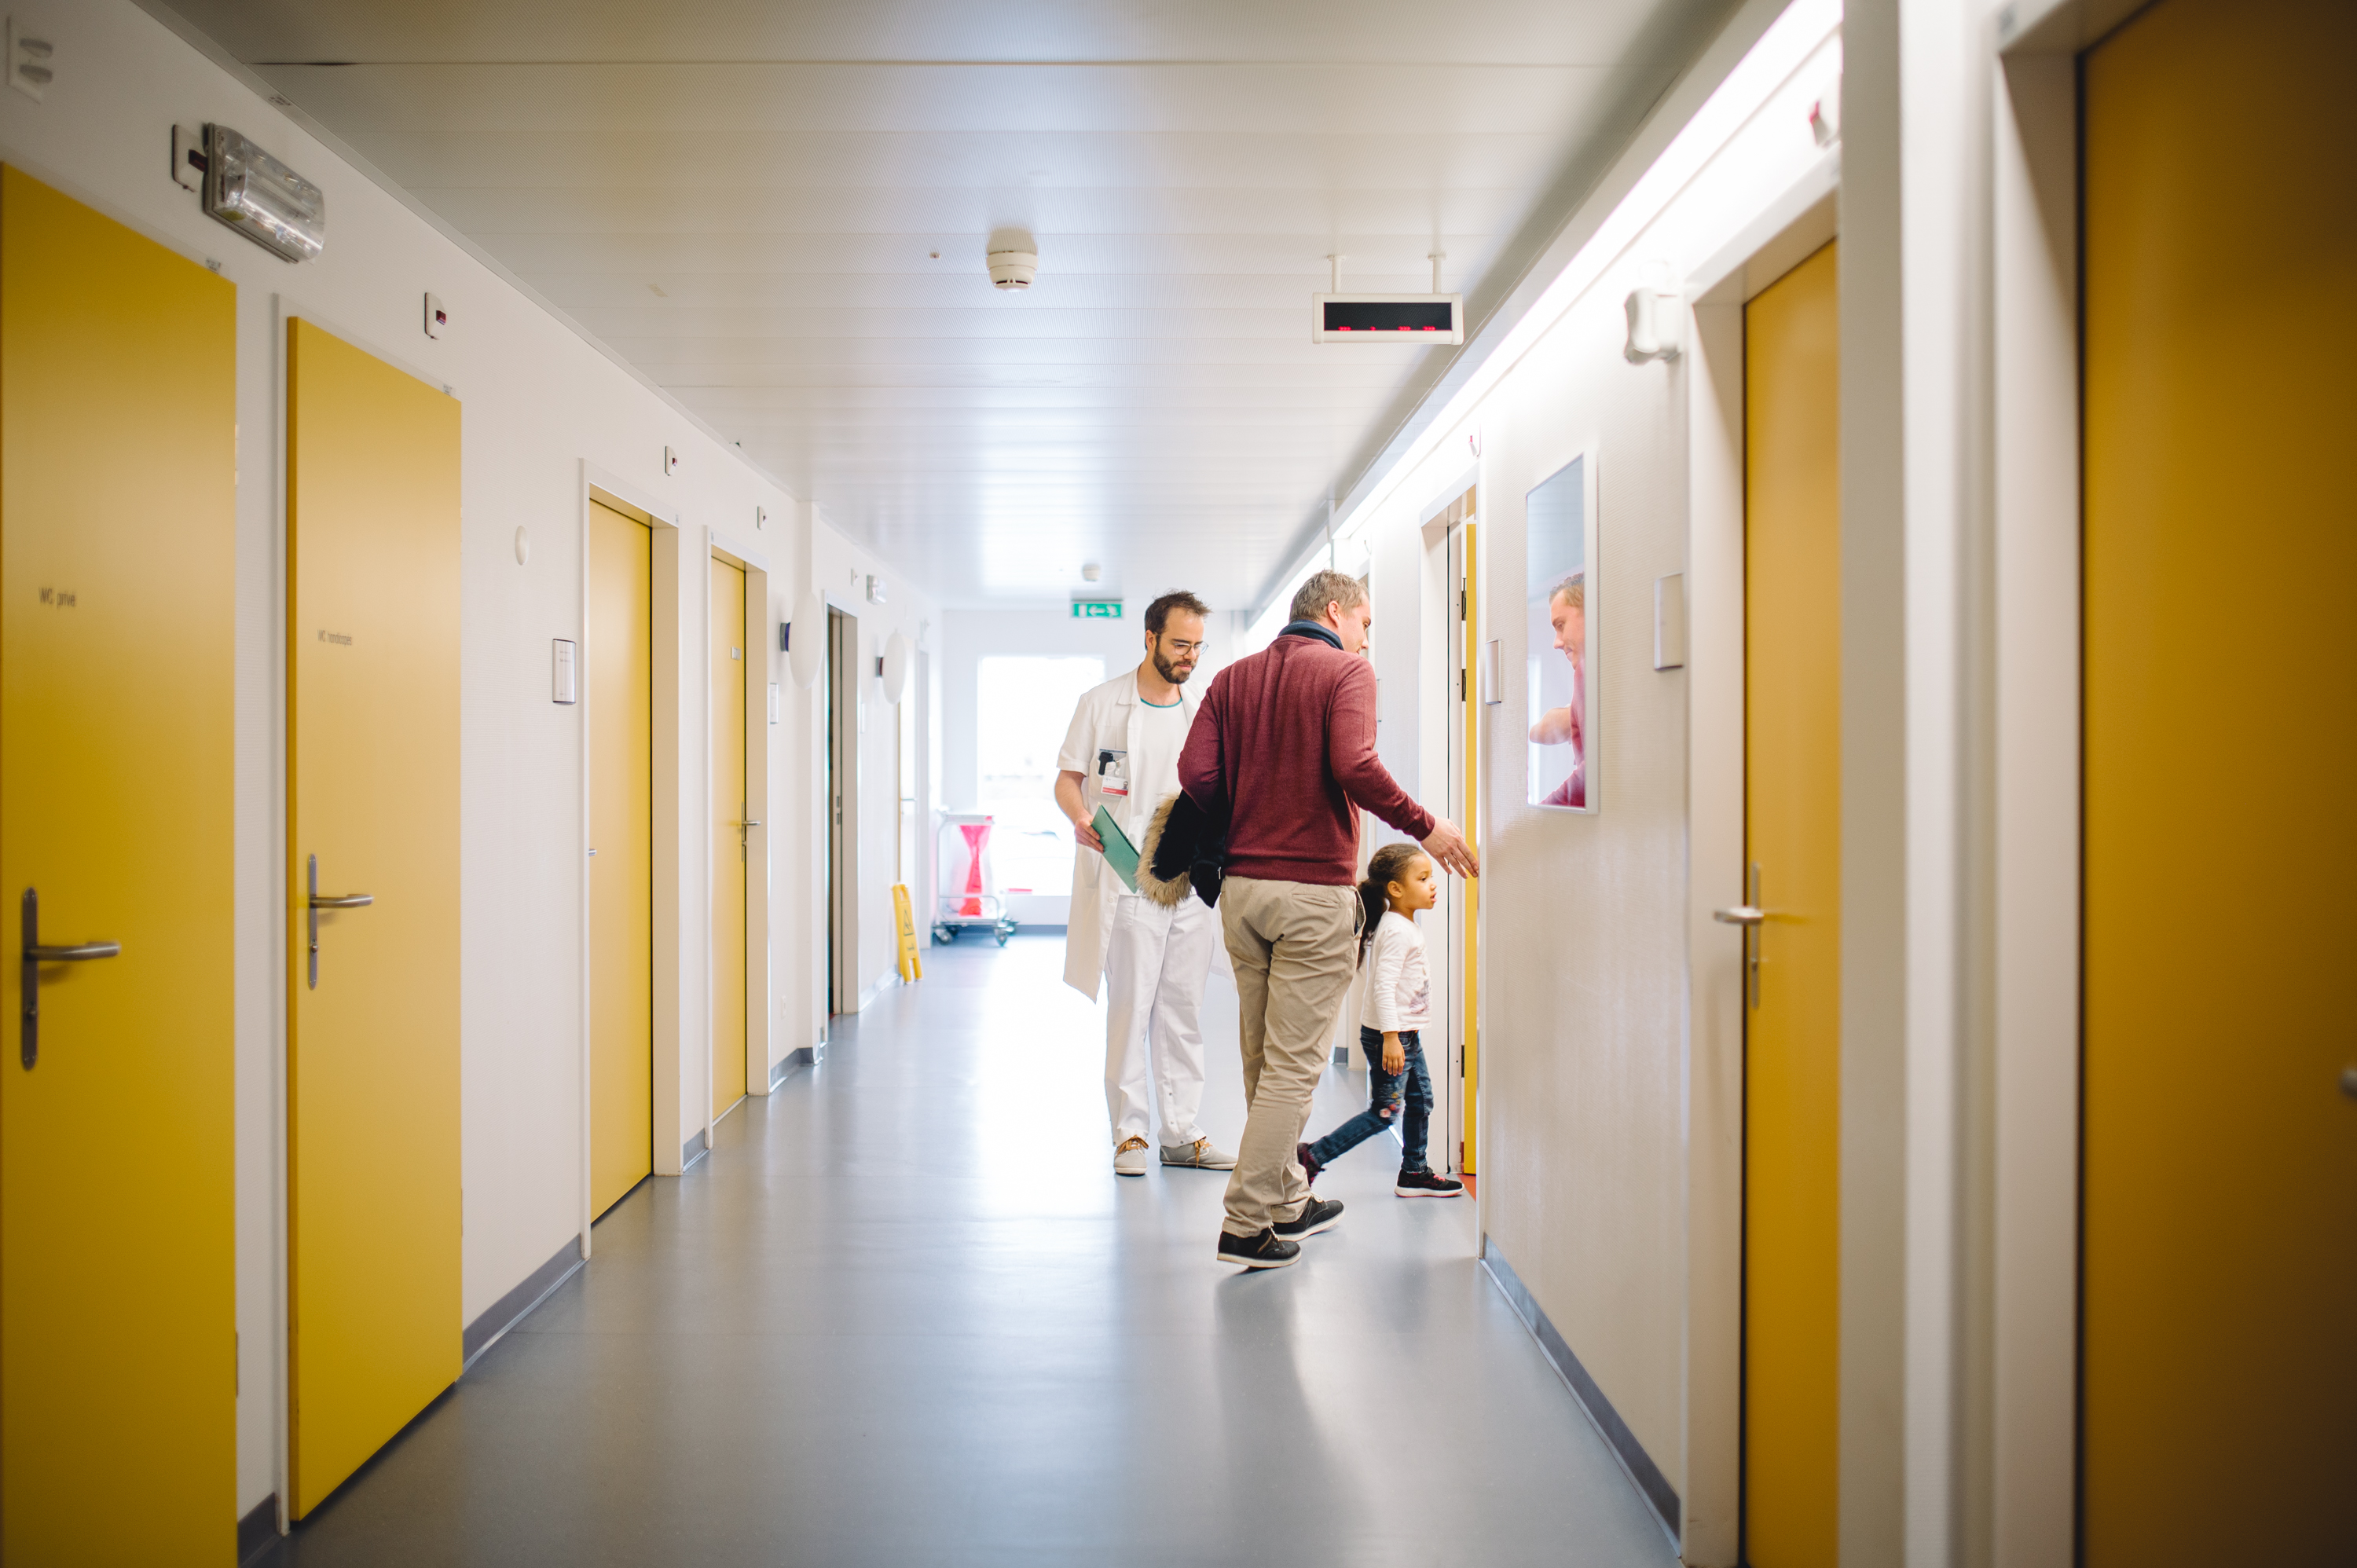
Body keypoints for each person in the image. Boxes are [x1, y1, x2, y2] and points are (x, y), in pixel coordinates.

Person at [1179, 568, 1478, 1269]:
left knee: (1263, 1057)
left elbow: (1197, 775)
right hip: (1312, 894)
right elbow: (1355, 763)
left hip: (1244, 892)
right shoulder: (1346, 674)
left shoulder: (1233, 679)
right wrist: (1425, 826)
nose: (1367, 641)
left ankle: (1286, 1196)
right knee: (1293, 1068)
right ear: (1336, 612)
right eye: (1366, 625)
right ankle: (1247, 1222)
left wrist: (1248, 811)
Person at [1055, 591, 1237, 1178]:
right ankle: (1129, 1133)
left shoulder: (1203, 714)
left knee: (1183, 1007)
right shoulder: (1101, 703)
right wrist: (1082, 819)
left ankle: (1182, 1132)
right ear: (1150, 637)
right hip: (1128, 876)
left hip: (1187, 883)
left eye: (1197, 646)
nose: (1189, 656)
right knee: (1132, 1006)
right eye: (1180, 644)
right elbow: (1068, 780)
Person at [1295, 843, 1464, 1198]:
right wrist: (1390, 1036)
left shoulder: (1403, 924)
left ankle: (1414, 1171)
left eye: (1431, 877)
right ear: (1396, 889)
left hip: (1404, 1035)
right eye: (1423, 878)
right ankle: (1313, 1155)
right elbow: (1383, 988)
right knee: (1384, 1113)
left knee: (1422, 1101)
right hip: (1392, 1038)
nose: (1432, 884)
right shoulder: (1397, 931)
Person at [1529, 573, 1585, 808]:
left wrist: (1539, 818)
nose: (1557, 642)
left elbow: (1592, 776)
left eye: (1561, 626)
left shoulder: (1589, 668)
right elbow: (1538, 733)